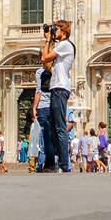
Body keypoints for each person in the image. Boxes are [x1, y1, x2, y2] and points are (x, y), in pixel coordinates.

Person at [39, 19, 75, 174]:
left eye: (57, 29)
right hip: (56, 88)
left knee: (59, 127)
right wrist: (48, 42)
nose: (55, 32)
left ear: (64, 31)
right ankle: (57, 162)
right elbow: (46, 65)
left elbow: (44, 58)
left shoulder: (66, 45)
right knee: (54, 127)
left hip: (60, 89)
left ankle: (65, 164)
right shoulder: (61, 48)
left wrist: (48, 40)